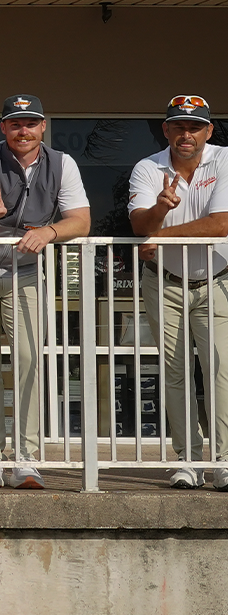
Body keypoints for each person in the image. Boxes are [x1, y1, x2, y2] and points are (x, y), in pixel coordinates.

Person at [0, 94, 90, 490]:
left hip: (27, 271)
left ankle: (26, 458)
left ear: (43, 126)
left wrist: (49, 232)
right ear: (3, 127)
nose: (23, 130)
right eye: (15, 124)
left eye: (31, 123)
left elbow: (81, 221)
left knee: (29, 360)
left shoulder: (62, 163)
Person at [129, 95, 228, 490]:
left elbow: (221, 224)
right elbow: (140, 226)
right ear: (166, 130)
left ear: (209, 131)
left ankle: (224, 461)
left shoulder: (224, 160)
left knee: (220, 370)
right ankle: (188, 460)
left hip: (216, 280)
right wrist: (159, 209)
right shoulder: (147, 166)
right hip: (164, 281)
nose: (187, 134)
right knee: (175, 371)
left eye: (195, 127)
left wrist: (162, 234)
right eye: (179, 127)